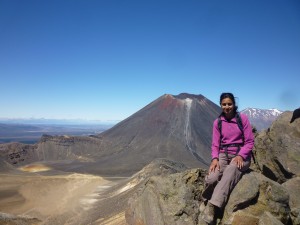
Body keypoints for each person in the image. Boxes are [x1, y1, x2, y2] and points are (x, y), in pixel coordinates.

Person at [200, 92, 254, 224]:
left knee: (230, 171)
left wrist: (241, 155)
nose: (227, 107)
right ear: (220, 105)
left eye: (229, 104)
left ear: (234, 104)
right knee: (213, 177)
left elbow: (249, 141)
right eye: (224, 104)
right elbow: (215, 144)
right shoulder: (218, 122)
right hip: (223, 154)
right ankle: (205, 197)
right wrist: (215, 159)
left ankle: (212, 207)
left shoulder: (243, 119)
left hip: (241, 154)